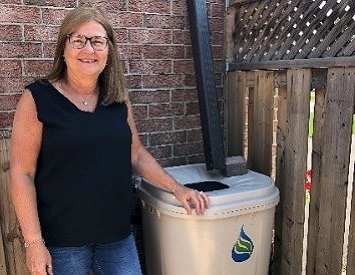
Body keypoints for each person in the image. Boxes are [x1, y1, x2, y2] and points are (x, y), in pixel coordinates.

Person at [10, 5, 210, 275]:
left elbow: (136, 154)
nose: (89, 50)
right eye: (78, 40)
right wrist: (34, 243)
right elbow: (22, 173)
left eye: (98, 41)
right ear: (64, 48)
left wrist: (177, 189)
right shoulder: (37, 98)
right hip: (61, 242)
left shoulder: (117, 99)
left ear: (109, 50)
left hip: (116, 237)